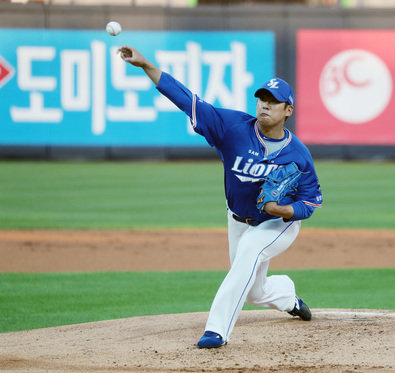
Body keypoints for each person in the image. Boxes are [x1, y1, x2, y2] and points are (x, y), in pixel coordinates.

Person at [117, 46, 323, 348]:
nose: (265, 105)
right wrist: (147, 65)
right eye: (262, 98)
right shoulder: (231, 128)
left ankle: (217, 330)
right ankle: (287, 296)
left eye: (274, 101)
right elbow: (187, 100)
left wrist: (283, 209)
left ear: (288, 111)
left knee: (250, 253)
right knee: (254, 291)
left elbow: (311, 200)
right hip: (237, 219)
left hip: (277, 224)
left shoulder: (298, 154)